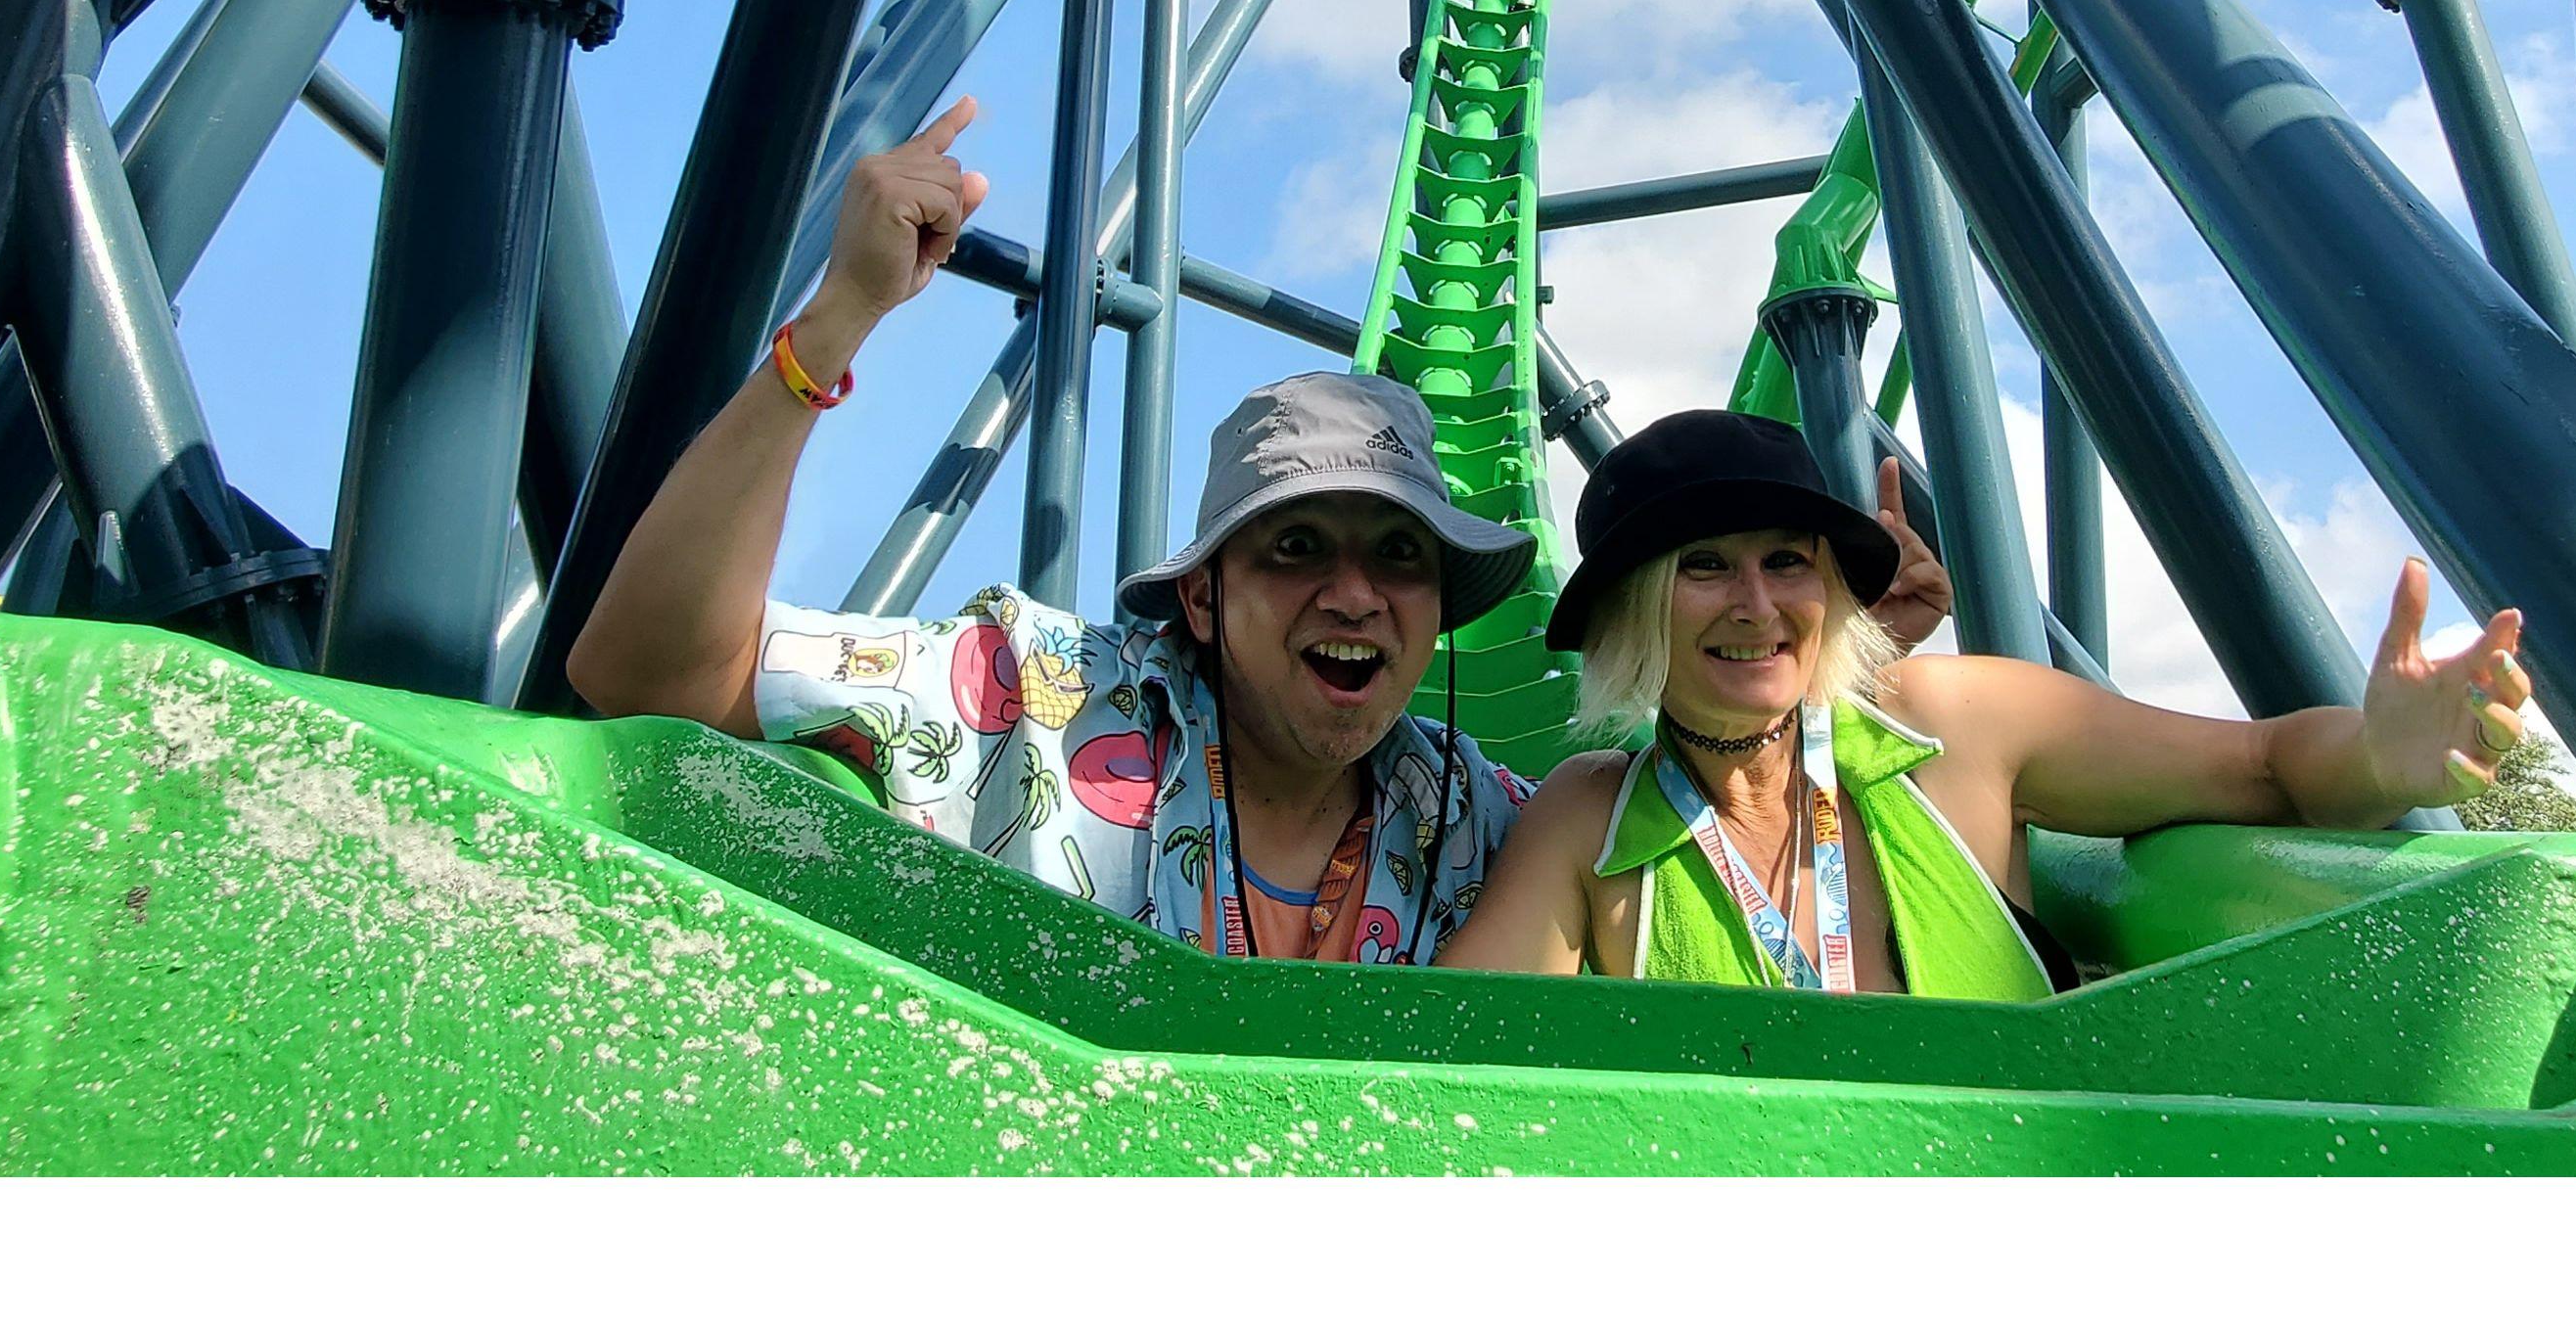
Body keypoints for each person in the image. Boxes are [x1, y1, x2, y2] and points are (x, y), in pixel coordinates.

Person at [565, 104, 1890, 967]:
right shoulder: (1038, 702)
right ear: (1200, 599)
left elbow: (1725, 808)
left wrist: (1833, 645)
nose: (1359, 596)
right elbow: (646, 676)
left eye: (1401, 557)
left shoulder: (1482, 825)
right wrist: (832, 332)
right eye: (1296, 549)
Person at [1443, 407, 2534, 1000]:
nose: (1759, 604)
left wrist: (2387, 758)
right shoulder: (1591, 816)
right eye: (1704, 568)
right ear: (1633, 610)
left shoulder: (1949, 727)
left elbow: (2266, 768)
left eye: (1789, 560)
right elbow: (1468, 1058)